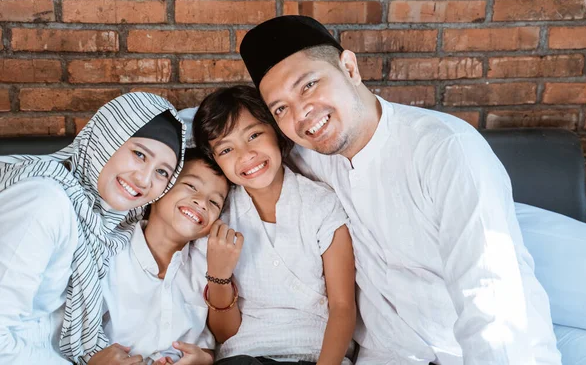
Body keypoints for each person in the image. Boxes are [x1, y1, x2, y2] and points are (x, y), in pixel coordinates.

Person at [235, 15, 561, 364]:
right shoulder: (311, 157)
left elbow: (490, 295)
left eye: (308, 85)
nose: (301, 114)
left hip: (465, 352)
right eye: (281, 108)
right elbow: (223, 147)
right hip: (387, 354)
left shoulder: (445, 150)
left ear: (349, 68)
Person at [0, 92, 186, 364]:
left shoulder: (111, 229)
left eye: (162, 172)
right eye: (139, 154)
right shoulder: (44, 203)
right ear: (105, 140)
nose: (145, 179)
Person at [192, 85, 356, 365]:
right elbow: (224, 332)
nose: (246, 155)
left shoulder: (321, 204)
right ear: (216, 161)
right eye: (227, 149)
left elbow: (343, 307)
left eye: (254, 135)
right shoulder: (219, 217)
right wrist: (218, 276)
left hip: (316, 354)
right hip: (245, 357)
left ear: (277, 131)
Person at [98, 147, 234, 365]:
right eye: (191, 186)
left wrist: (203, 359)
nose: (201, 202)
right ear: (159, 190)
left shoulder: (206, 268)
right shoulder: (110, 253)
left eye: (214, 202)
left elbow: (207, 345)